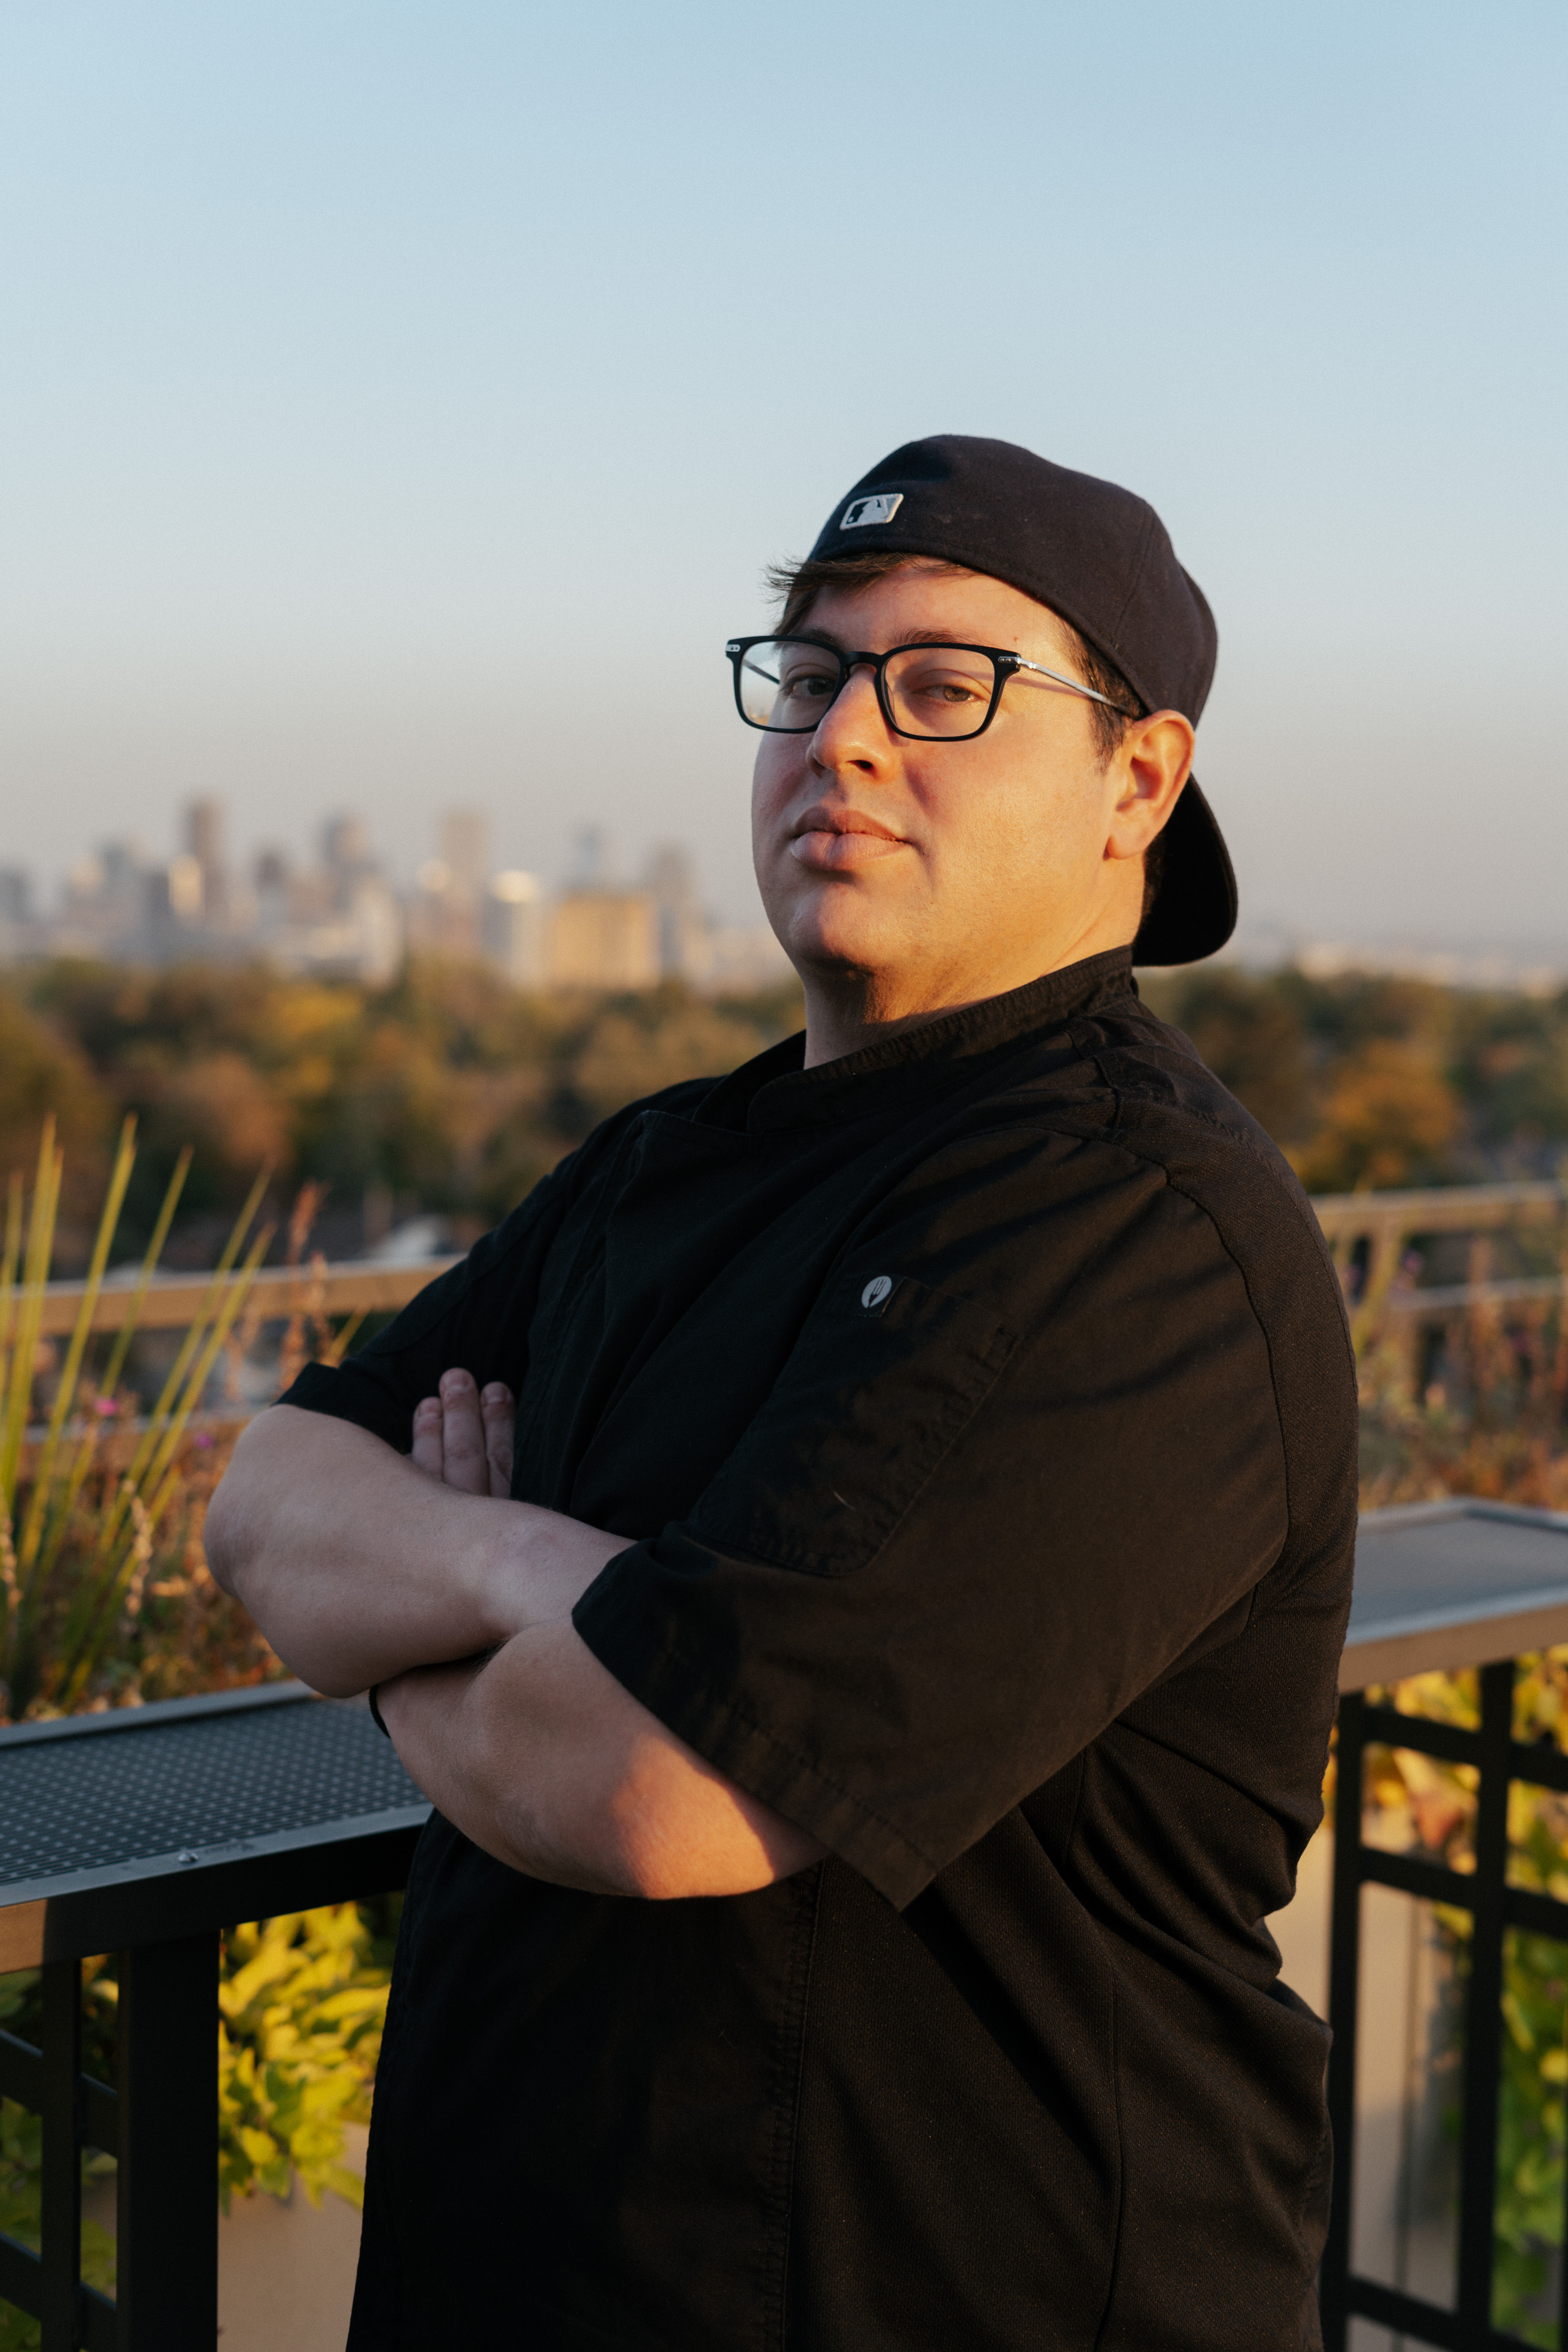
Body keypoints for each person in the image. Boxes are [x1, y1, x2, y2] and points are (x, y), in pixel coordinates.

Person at [208, 434, 1357, 2352]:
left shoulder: (1130, 1231)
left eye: (942, 685)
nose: (841, 738)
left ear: (1136, 781)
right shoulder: (661, 1162)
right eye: (809, 675)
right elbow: (270, 1510)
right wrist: (530, 1571)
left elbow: (659, 1788)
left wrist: (417, 1642)